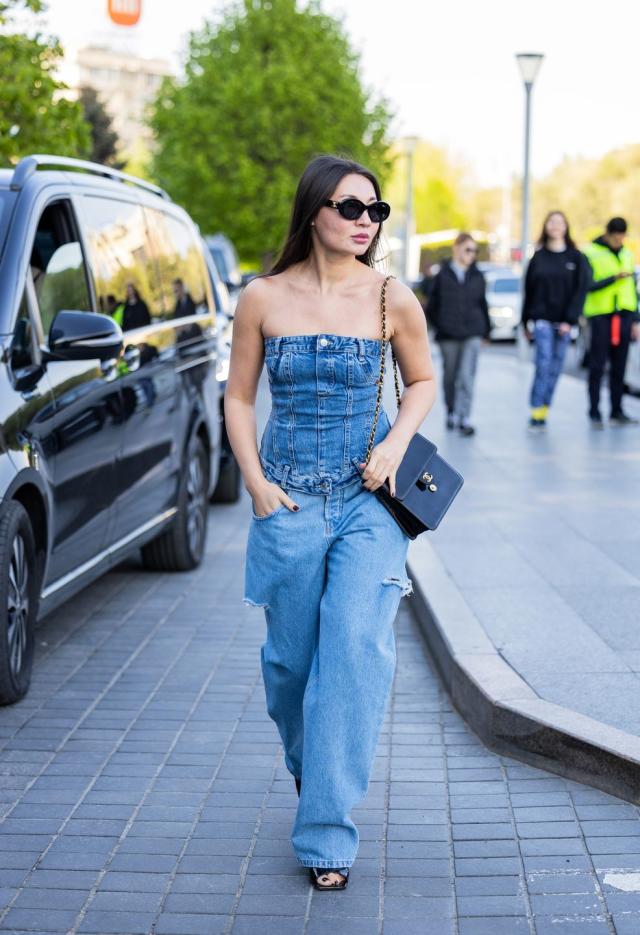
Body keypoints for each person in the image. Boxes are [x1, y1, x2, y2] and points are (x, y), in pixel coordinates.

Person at [224, 154, 435, 890]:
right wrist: (254, 483)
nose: (365, 222)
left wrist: (394, 443)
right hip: (287, 499)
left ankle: (325, 836)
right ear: (314, 209)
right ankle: (314, 773)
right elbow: (240, 398)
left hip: (366, 502)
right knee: (289, 670)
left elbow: (424, 380)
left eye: (374, 211)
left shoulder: (390, 296)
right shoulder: (262, 297)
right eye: (351, 207)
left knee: (351, 654)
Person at [522, 211, 589, 431]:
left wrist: (570, 320)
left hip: (564, 324)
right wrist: (525, 323)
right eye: (552, 221)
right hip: (541, 322)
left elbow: (581, 291)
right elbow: (529, 291)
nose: (556, 226)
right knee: (543, 364)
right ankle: (536, 411)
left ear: (566, 227)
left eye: (560, 222)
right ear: (546, 226)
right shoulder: (538, 257)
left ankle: (545, 408)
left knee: (556, 367)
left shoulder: (576, 257)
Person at [426, 233, 490, 436]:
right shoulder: (442, 275)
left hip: (472, 332)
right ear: (457, 249)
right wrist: (439, 325)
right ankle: (451, 411)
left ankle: (465, 417)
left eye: (474, 251)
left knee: (466, 375)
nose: (472, 255)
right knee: (450, 375)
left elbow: (483, 304)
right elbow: (432, 305)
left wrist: (487, 331)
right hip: (448, 335)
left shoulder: (478, 275)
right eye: (468, 249)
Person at [583, 217, 640, 427]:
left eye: (622, 237)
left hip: (624, 316)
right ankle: (595, 411)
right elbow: (587, 285)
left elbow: (632, 289)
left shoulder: (627, 253)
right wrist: (613, 279)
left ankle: (617, 410)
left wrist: (635, 319)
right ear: (607, 233)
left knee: (620, 367)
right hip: (601, 316)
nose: (619, 241)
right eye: (616, 237)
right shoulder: (590, 252)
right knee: (597, 366)